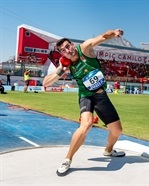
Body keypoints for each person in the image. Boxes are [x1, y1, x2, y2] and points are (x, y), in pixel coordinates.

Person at [43, 28, 125, 176]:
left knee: (117, 131)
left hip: (101, 95)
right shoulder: (66, 65)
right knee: (86, 124)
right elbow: (46, 82)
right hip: (85, 96)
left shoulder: (85, 49)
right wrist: (61, 70)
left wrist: (115, 33)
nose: (67, 50)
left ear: (72, 45)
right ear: (62, 54)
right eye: (63, 50)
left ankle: (108, 150)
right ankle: (67, 159)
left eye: (68, 46)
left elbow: (102, 37)